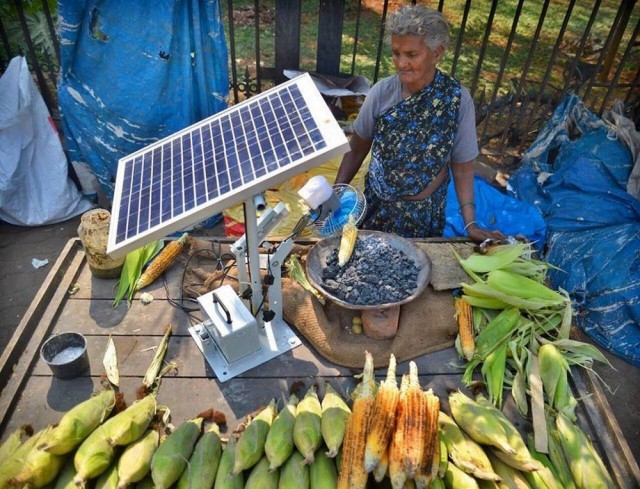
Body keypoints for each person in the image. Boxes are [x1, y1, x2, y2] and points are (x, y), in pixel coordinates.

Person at [335, 5, 504, 242]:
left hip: (423, 218)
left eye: (411, 55)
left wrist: (471, 223)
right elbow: (356, 150)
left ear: (437, 53)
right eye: (396, 53)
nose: (401, 63)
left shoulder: (455, 100)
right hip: (376, 209)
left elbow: (463, 167)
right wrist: (335, 195)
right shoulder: (382, 93)